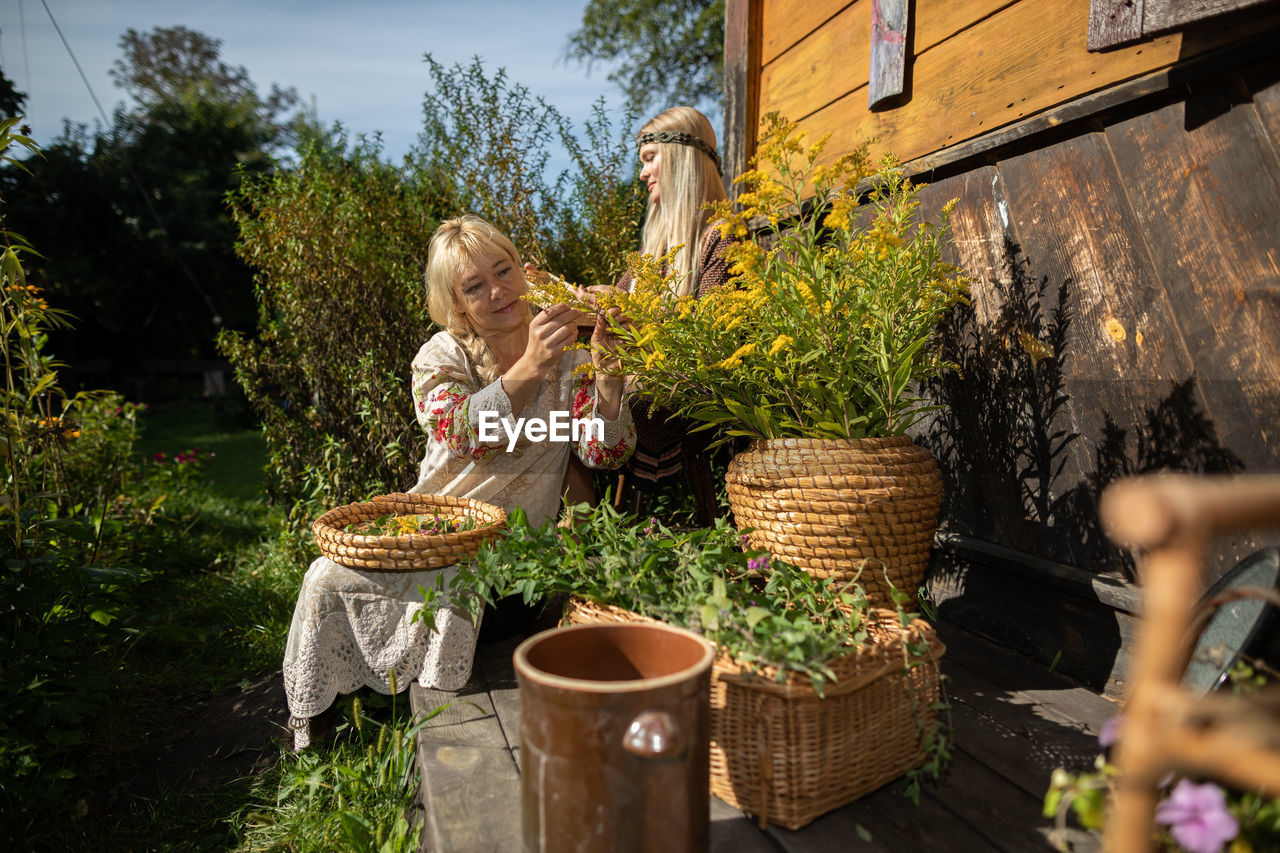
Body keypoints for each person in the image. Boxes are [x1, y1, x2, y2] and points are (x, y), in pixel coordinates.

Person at [282, 215, 636, 748]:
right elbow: (464, 433)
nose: (498, 291)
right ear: (457, 302)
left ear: (524, 270)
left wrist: (609, 371)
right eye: (475, 286)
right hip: (437, 533)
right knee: (324, 577)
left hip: (517, 554)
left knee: (460, 590)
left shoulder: (572, 357)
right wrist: (532, 366)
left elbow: (603, 451)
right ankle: (319, 722)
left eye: (504, 270)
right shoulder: (442, 354)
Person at [620, 105, 734, 522]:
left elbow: (709, 344)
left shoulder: (721, 241)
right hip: (645, 379)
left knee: (577, 403)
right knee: (566, 388)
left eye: (650, 158)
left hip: (690, 396)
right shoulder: (656, 252)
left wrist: (631, 319)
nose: (642, 173)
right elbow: (620, 304)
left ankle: (576, 536)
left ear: (684, 157)